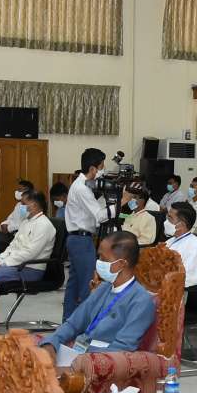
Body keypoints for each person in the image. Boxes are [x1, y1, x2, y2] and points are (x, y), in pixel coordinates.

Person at [41, 231, 156, 358]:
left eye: (103, 259)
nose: (98, 262)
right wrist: (52, 342)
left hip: (100, 362)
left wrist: (83, 359)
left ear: (121, 264)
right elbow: (73, 324)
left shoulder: (141, 301)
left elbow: (122, 348)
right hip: (77, 353)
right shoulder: (103, 288)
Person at [63, 150, 110, 319]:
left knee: (74, 285)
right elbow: (100, 216)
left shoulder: (81, 185)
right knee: (87, 285)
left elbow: (91, 210)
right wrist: (123, 200)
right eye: (102, 167)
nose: (103, 171)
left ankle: (68, 322)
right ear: (92, 169)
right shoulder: (82, 188)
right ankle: (83, 325)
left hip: (76, 239)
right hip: (82, 241)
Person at [0, 191, 57, 303]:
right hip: (16, 265)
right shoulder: (26, 222)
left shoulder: (44, 225)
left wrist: (4, 263)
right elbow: (12, 246)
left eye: (23, 204)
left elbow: (30, 253)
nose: (20, 207)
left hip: (31, 269)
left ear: (34, 205)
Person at [164, 202, 197, 288]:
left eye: (170, 218)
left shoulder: (195, 246)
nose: (166, 221)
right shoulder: (170, 241)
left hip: (174, 290)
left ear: (182, 224)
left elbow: (188, 278)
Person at [121, 181, 157, 245]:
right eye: (130, 198)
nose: (130, 200)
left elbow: (146, 241)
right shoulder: (131, 215)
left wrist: (127, 243)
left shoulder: (149, 218)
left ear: (142, 200)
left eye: (134, 197)